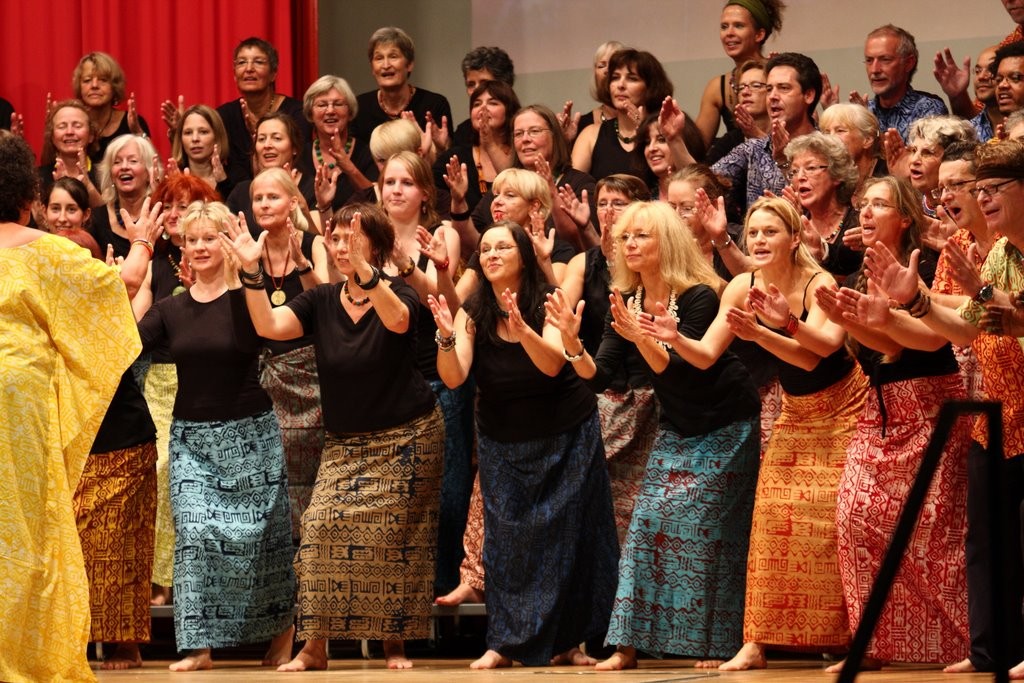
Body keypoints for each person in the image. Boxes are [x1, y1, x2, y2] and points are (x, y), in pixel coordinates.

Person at [223, 203, 444, 670]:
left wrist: (368, 273)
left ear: (376, 244)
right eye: (337, 239)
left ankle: (394, 642)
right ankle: (315, 647)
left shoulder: (400, 292)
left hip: (408, 436)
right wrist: (250, 272)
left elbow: (398, 321)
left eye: (353, 238)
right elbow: (269, 326)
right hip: (347, 442)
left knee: (394, 541)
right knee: (321, 530)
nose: (342, 247)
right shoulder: (321, 299)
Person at [546, 201, 760, 670]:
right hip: (679, 425)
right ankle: (626, 646)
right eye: (625, 238)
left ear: (667, 241)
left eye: (640, 235)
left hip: (726, 423)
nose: (629, 245)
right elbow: (599, 376)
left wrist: (645, 338)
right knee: (645, 527)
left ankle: (717, 643)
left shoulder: (701, 295)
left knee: (709, 534)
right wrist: (571, 342)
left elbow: (684, 366)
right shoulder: (628, 300)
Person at [674, 196, 866, 671]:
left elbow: (817, 351)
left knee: (837, 520)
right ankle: (756, 643)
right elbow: (705, 354)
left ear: (794, 238)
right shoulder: (742, 284)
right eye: (753, 233)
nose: (758, 240)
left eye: (769, 232)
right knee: (772, 518)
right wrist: (670, 336)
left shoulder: (819, 280)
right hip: (797, 411)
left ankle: (853, 639)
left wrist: (774, 327)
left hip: (845, 406)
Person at [862, 140, 1024, 677]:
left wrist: (981, 298)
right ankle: (990, 652)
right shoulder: (998, 254)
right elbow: (967, 327)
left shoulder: (995, 256)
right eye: (975, 189)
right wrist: (915, 303)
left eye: (990, 189)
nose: (980, 198)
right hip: (994, 414)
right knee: (988, 540)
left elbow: (997, 314)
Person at [428, 220, 618, 669]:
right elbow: (454, 376)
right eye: (486, 248)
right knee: (509, 545)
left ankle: (566, 645)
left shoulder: (548, 301)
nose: (491, 254)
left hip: (566, 432)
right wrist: (445, 336)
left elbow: (551, 366)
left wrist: (523, 327)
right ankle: (505, 643)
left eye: (503, 247)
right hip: (502, 438)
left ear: (524, 256)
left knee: (568, 541)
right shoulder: (471, 310)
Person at [0, 131, 141, 682]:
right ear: (24, 192)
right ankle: (28, 650)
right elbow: (120, 287)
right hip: (19, 395)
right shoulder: (48, 250)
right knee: (29, 521)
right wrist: (146, 243)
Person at [818, 176, 971, 671]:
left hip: (931, 405)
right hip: (882, 406)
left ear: (905, 217)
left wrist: (878, 318)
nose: (865, 212)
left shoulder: (923, 264)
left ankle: (967, 642)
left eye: (879, 204)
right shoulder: (862, 271)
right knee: (853, 518)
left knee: (932, 534)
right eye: (862, 205)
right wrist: (845, 318)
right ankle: (869, 644)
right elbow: (883, 347)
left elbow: (927, 341)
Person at [137, 200, 296, 672]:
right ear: (183, 249)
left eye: (210, 237)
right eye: (193, 239)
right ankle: (199, 646)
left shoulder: (248, 296)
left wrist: (253, 273)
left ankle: (283, 633)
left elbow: (281, 330)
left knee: (263, 540)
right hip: (192, 440)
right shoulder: (170, 309)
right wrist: (130, 276)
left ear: (226, 242)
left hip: (252, 435)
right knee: (193, 535)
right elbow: (123, 343)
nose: (201, 246)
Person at [140, 173, 222, 607]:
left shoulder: (218, 261)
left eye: (185, 205)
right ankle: (159, 576)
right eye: (168, 206)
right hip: (159, 376)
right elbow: (137, 325)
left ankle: (191, 579)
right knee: (160, 468)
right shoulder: (155, 260)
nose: (175, 214)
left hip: (205, 377)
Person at [247, 167, 329, 545]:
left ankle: (312, 551)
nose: (263, 204)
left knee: (313, 469)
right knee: (271, 471)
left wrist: (302, 265)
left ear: (292, 202)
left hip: (311, 374)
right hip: (266, 376)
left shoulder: (312, 243)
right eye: (258, 198)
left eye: (272, 197)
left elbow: (326, 299)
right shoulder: (249, 250)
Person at [669, 52, 822, 214]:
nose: (773, 97)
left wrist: (784, 162)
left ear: (808, 95)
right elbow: (701, 184)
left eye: (784, 88)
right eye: (769, 89)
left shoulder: (828, 149)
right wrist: (674, 139)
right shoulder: (753, 149)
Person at [168, 37, 312, 189]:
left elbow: (302, 164)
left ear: (274, 73)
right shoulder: (224, 115)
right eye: (242, 62)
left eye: (258, 62)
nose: (249, 69)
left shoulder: (297, 114)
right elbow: (202, 157)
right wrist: (179, 133)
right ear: (234, 74)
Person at [470, 104, 597, 252]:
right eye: (518, 134)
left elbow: (580, 244)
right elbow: (473, 241)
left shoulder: (579, 183)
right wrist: (459, 205)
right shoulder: (505, 186)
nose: (525, 139)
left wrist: (551, 191)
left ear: (555, 136)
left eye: (534, 131)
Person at [572, 49, 677, 182]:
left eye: (632, 79)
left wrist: (644, 127)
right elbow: (572, 187)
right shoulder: (590, 135)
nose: (620, 85)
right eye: (615, 78)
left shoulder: (669, 130)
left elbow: (684, 180)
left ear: (650, 87)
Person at [694, 0, 786, 150]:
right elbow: (697, 148)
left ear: (759, 34)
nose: (729, 33)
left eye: (738, 26)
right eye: (724, 27)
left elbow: (807, 128)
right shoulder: (717, 87)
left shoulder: (777, 74)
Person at [350, 26, 453, 150]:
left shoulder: (435, 104)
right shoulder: (360, 107)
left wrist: (442, 149)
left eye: (393, 56)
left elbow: (446, 160)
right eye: (379, 58)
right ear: (372, 68)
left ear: (409, 65)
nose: (386, 65)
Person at [435, 80, 519, 216]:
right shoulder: (455, 158)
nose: (483, 108)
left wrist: (489, 143)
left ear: (509, 110)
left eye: (493, 103)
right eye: (477, 104)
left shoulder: (520, 153)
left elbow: (515, 185)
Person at [785, 131, 863, 276]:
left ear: (837, 175)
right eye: (794, 171)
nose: (800, 177)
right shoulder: (792, 225)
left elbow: (857, 270)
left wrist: (822, 251)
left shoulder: (860, 223)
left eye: (811, 168)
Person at [226, 113, 316, 233]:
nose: (267, 145)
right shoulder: (241, 191)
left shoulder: (313, 188)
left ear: (294, 148)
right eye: (261, 139)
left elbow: (320, 242)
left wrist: (303, 209)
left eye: (277, 138)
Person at [860, 25, 948, 141]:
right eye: (869, 60)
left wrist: (868, 129)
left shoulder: (928, 109)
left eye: (885, 60)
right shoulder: (865, 111)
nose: (874, 70)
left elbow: (924, 156)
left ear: (908, 63)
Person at [303, 75, 377, 211]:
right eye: (322, 105)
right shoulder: (300, 155)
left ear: (349, 112)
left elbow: (377, 201)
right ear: (310, 113)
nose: (330, 111)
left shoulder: (367, 153)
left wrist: (349, 168)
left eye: (338, 104)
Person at [72, 51, 151, 164]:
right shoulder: (72, 126)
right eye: (87, 80)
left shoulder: (132, 122)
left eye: (103, 80)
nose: (94, 85)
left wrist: (138, 132)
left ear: (114, 86)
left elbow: (152, 166)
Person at [39, 99, 103, 207]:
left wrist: (87, 185)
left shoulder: (105, 174)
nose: (69, 132)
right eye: (62, 126)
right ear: (52, 136)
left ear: (91, 135)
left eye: (77, 126)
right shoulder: (38, 177)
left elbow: (108, 218)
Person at [706, 60, 771, 164]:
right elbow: (703, 176)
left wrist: (758, 137)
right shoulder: (731, 140)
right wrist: (676, 140)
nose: (745, 92)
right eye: (741, 87)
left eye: (755, 85)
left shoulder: (787, 135)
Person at [819, 103, 884, 204]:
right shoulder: (830, 178)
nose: (830, 138)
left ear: (867, 139)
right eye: (826, 133)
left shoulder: (887, 175)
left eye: (840, 131)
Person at [452, 46, 516, 146]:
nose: (477, 90)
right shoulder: (464, 131)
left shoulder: (522, 127)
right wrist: (441, 148)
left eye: (484, 83)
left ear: (504, 85)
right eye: (471, 84)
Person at [169, 104, 231, 196]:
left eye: (203, 132)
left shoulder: (235, 179)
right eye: (188, 132)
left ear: (217, 137)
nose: (195, 139)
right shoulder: (171, 182)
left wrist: (223, 183)